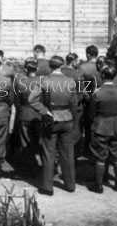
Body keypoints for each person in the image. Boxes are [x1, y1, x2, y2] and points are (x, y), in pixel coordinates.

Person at [39, 55, 77, 195]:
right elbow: (74, 103)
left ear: (50, 66)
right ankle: (70, 184)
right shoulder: (70, 81)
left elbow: (36, 100)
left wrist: (44, 112)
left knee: (48, 153)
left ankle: (47, 186)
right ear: (62, 66)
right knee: (67, 153)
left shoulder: (45, 80)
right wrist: (72, 117)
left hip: (51, 118)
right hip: (67, 118)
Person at [89, 64, 117, 193]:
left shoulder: (97, 93)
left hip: (101, 126)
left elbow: (92, 113)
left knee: (100, 156)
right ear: (114, 76)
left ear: (102, 75)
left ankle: (98, 186)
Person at [13, 58, 47, 177]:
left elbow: (17, 101)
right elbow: (45, 99)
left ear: (25, 69)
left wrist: (21, 110)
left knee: (26, 142)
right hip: (39, 114)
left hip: (24, 113)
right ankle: (43, 167)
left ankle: (30, 168)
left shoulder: (19, 82)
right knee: (39, 141)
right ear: (37, 68)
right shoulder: (42, 81)